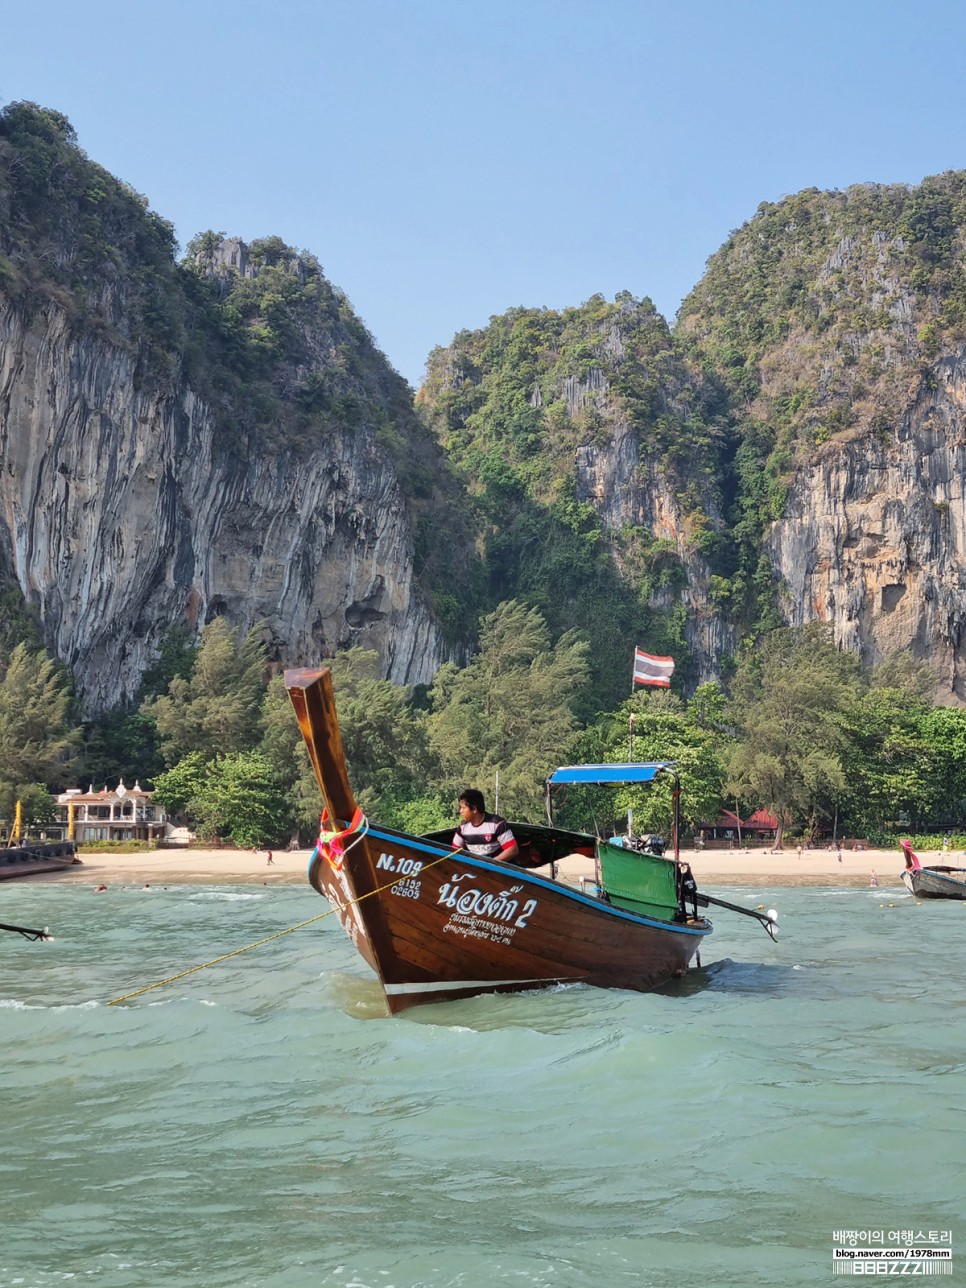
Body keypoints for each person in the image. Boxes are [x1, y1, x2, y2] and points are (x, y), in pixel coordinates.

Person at [452, 789, 519, 863]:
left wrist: (490, 864)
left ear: (474, 809)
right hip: (474, 868)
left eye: (463, 808)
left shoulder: (497, 824)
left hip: (497, 870)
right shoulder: (463, 826)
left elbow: (512, 850)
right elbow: (454, 851)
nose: (460, 811)